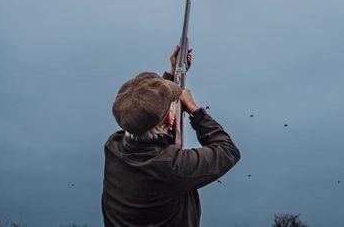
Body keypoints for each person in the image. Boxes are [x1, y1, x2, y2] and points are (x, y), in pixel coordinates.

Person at [102, 46, 240, 227]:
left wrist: (172, 75)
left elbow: (144, 114)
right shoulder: (172, 166)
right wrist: (193, 109)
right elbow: (228, 150)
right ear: (169, 118)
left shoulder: (114, 146)